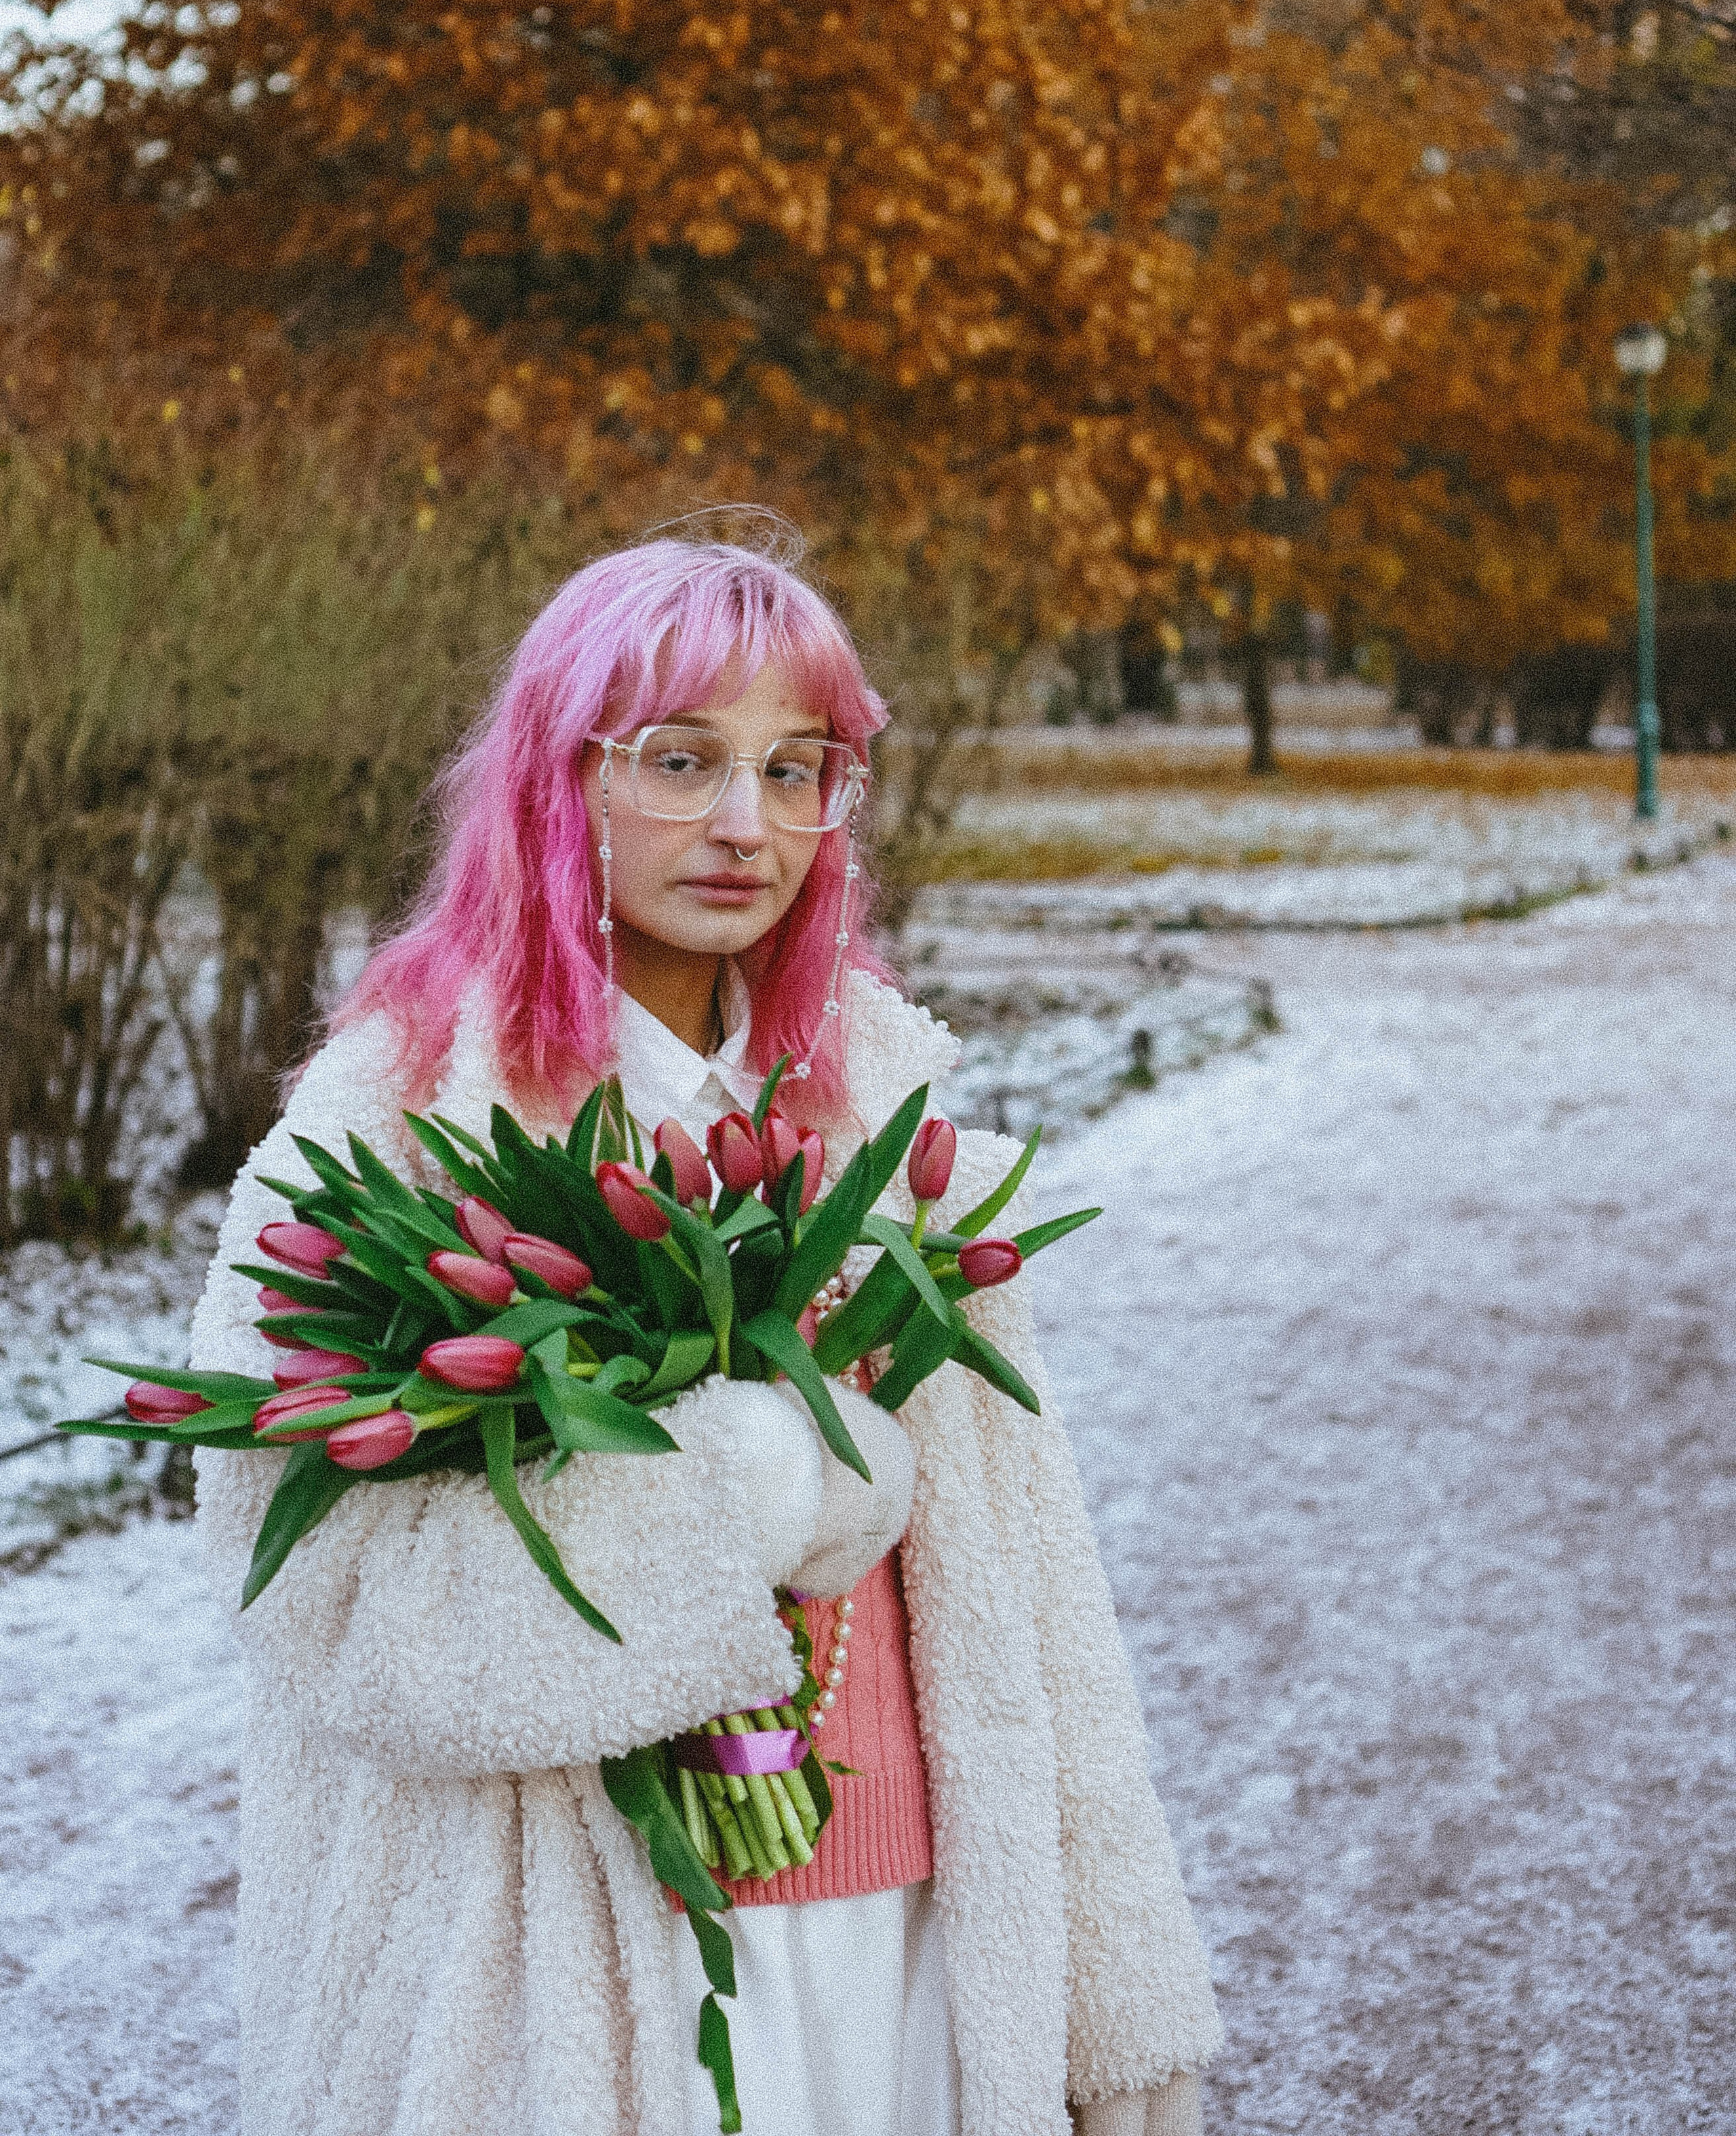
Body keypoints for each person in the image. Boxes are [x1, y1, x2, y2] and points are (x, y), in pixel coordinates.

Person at [189, 535, 1221, 2136]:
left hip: (906, 1904)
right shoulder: (404, 1110)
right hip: (571, 1946)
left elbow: (1029, 1576)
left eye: (794, 768)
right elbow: (304, 1582)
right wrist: (725, 1493)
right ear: (560, 777)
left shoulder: (873, 1088)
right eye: (680, 762)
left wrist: (1111, 1984)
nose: (746, 825)